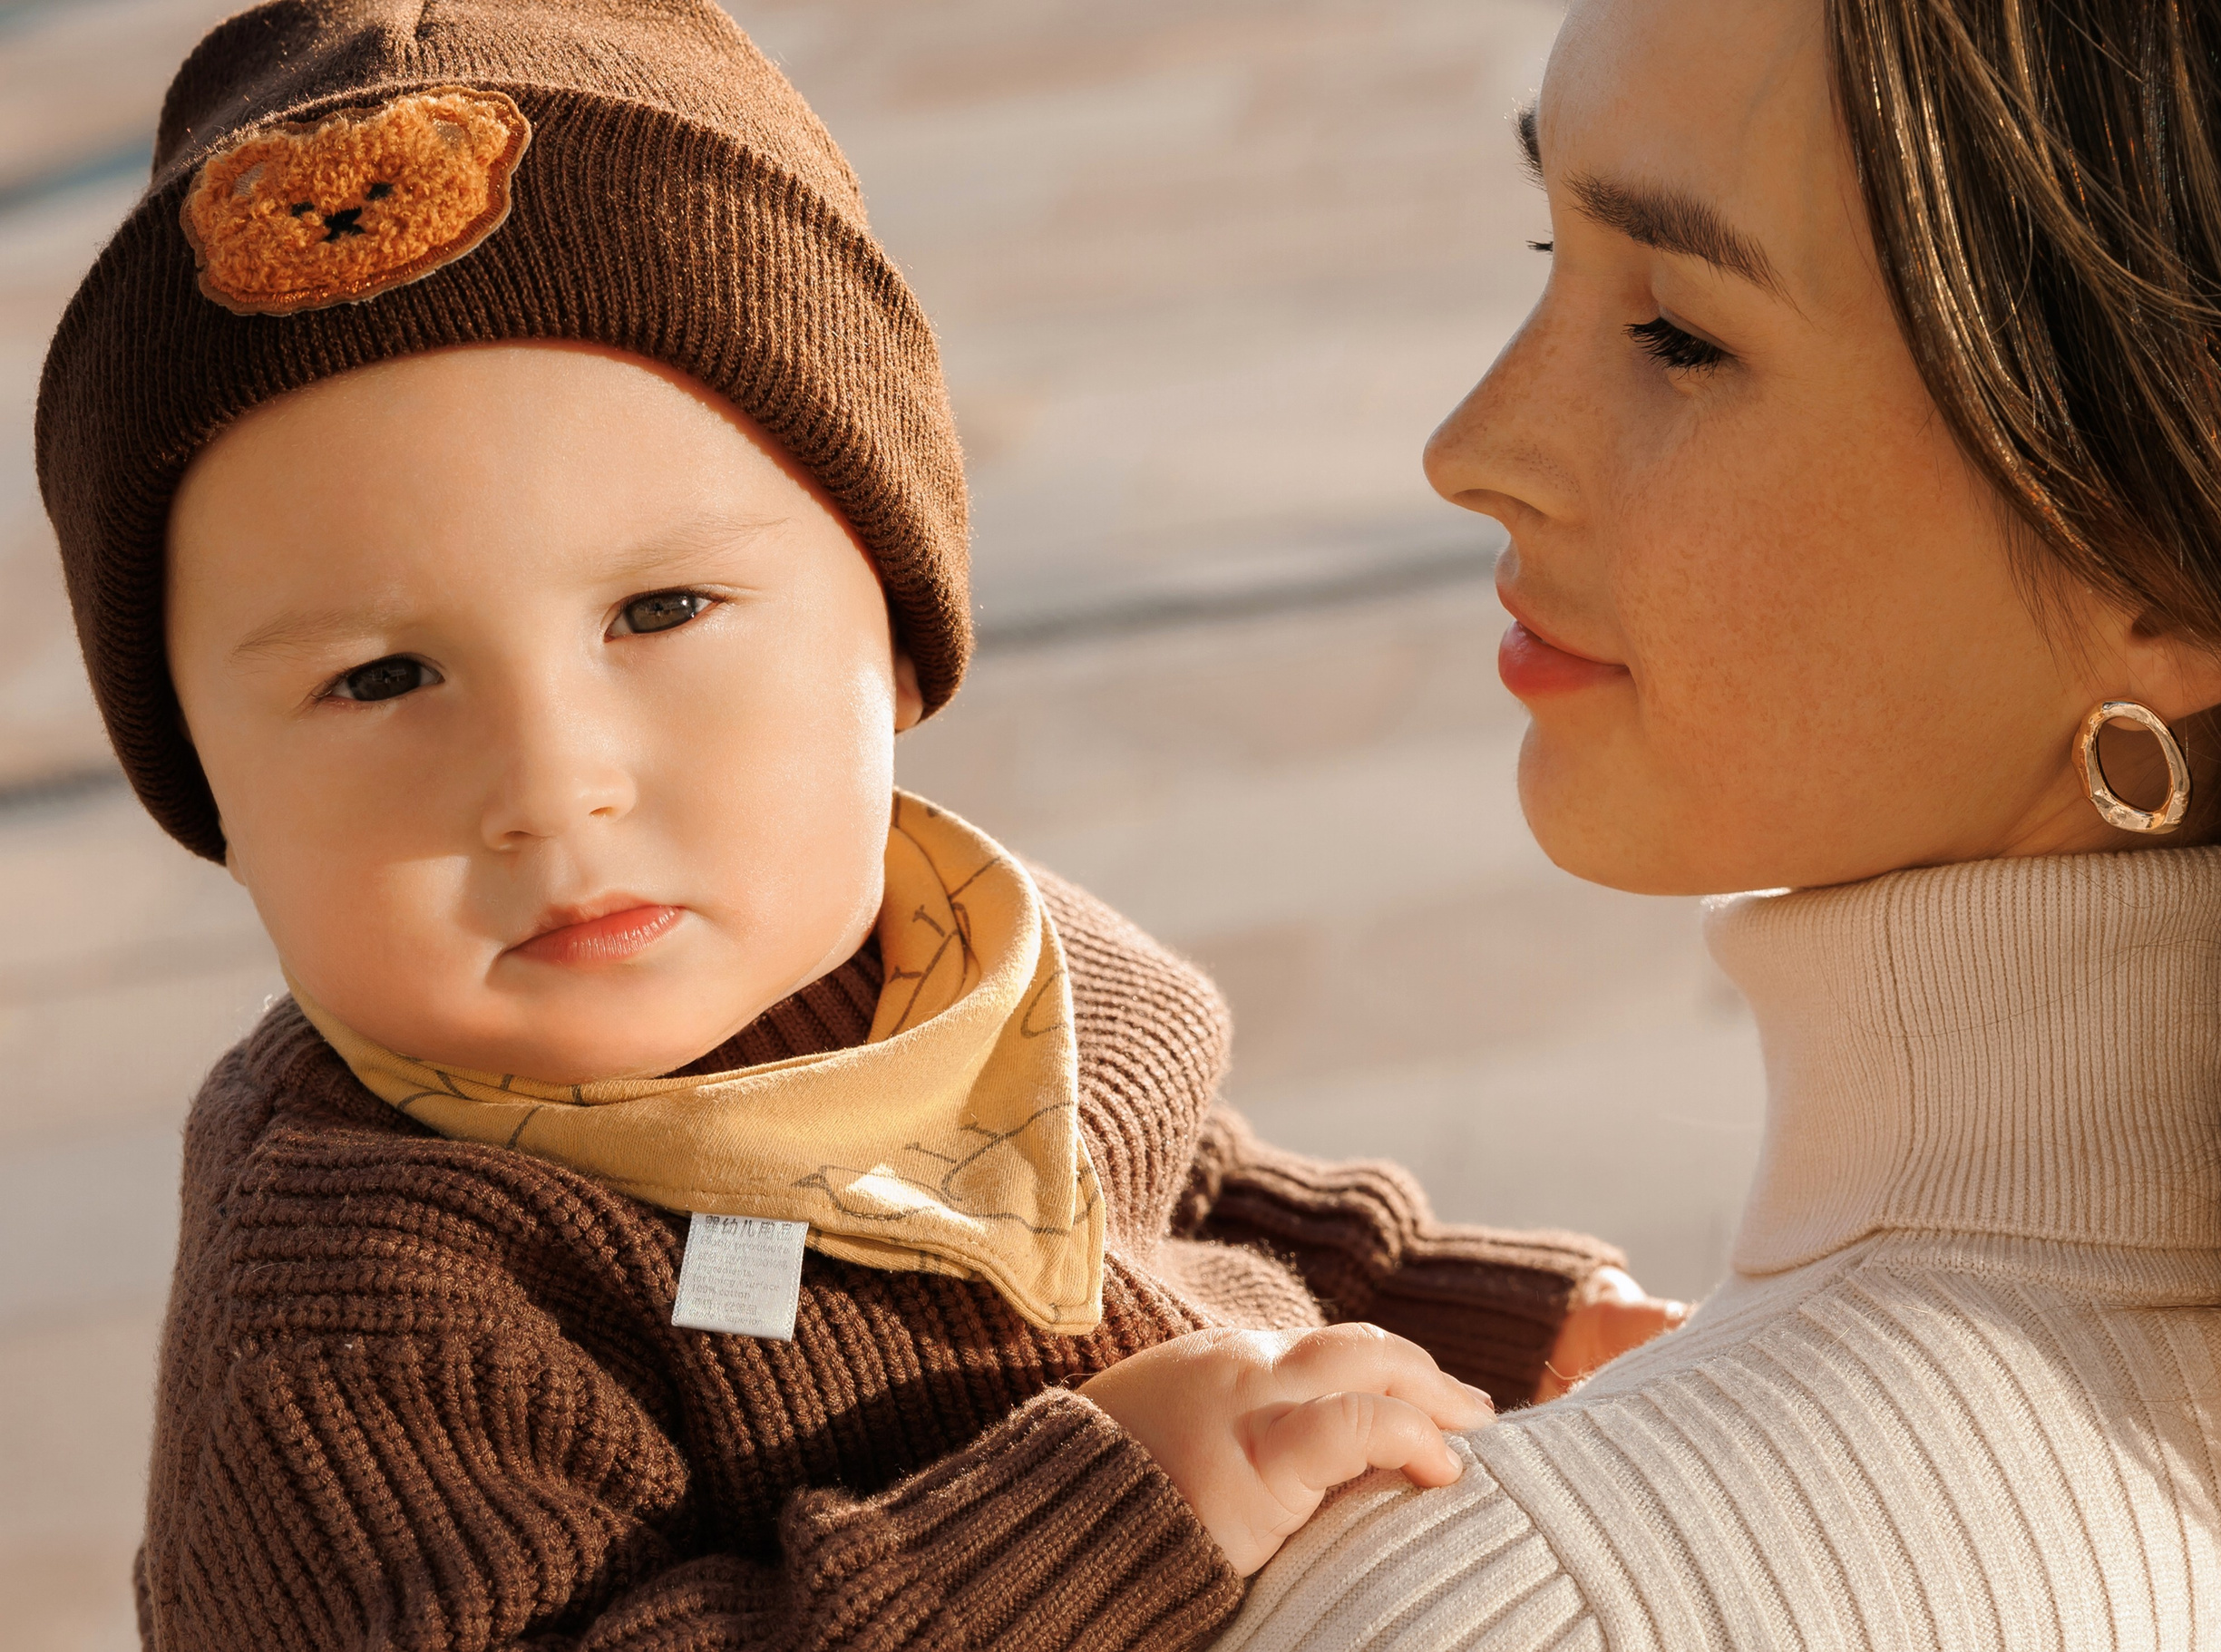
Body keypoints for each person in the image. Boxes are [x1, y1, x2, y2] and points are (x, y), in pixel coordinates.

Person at [32, 4, 1690, 1647]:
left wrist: (1503, 1317)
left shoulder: (965, 952)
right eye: (383, 676)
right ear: (211, 791)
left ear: (892, 640)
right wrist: (1110, 1512)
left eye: (660, 607)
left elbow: (1189, 1194)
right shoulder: (369, 1311)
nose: (551, 782)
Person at [1217, 0, 2221, 1644]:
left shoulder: (1522, 1602)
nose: (1474, 449)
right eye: (1549, 245)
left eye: (1679, 333)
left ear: (2167, 566)